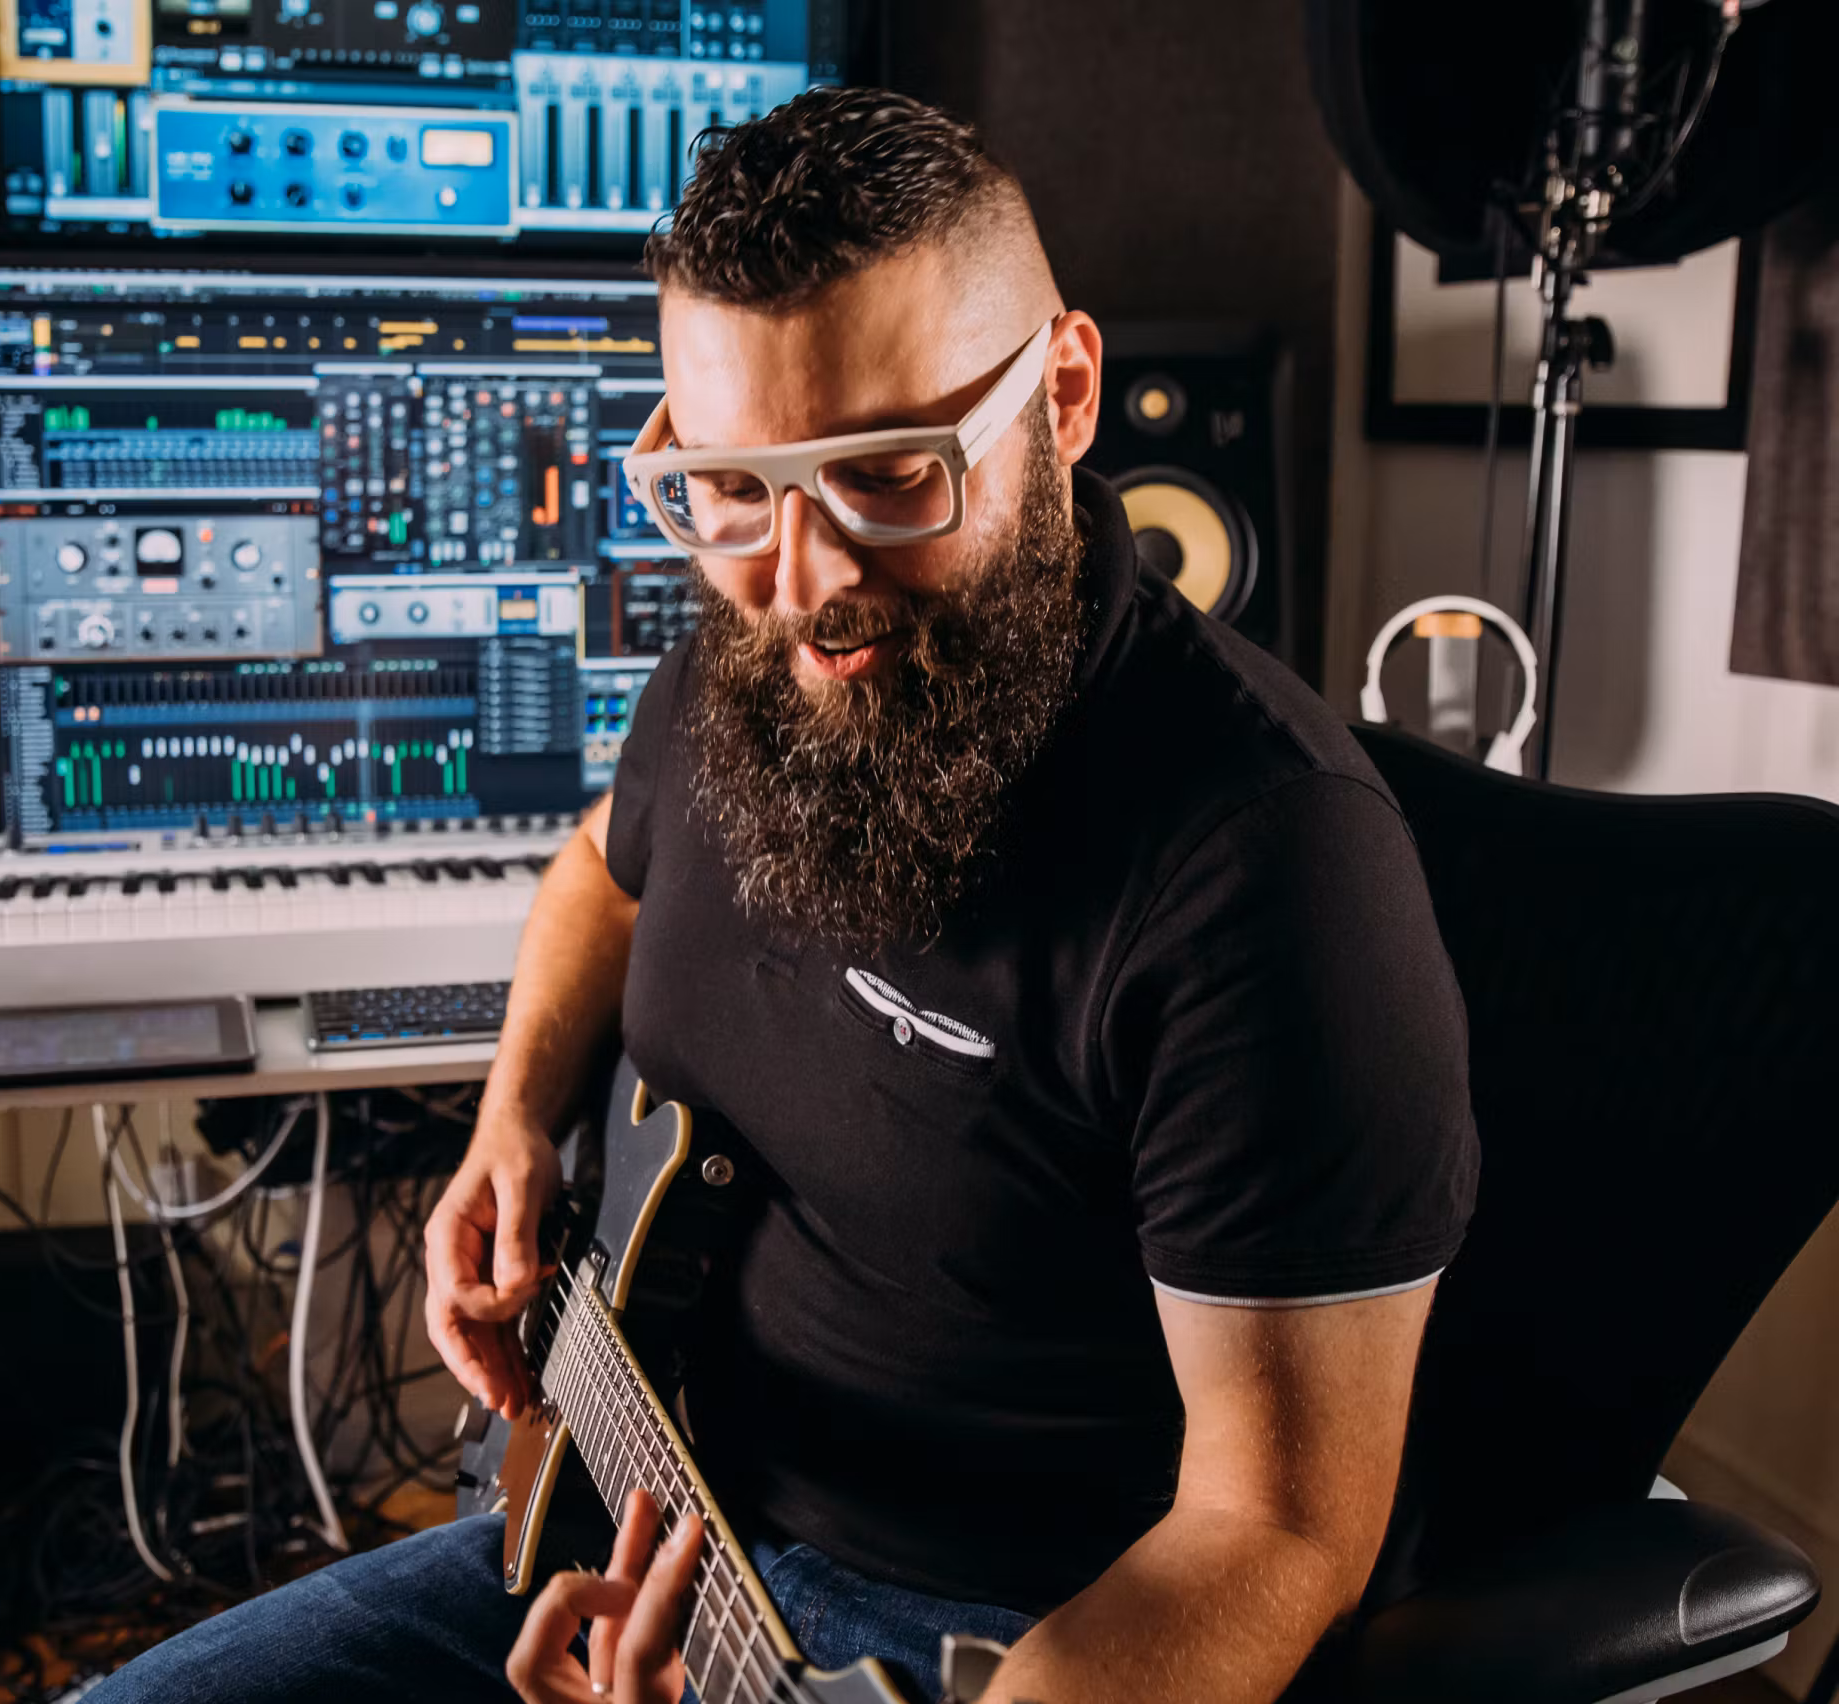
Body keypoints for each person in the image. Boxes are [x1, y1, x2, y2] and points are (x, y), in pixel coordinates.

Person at [91, 86, 1478, 1704]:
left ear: (1069, 395)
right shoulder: (744, 659)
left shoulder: (1269, 873)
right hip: (619, 1512)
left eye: (888, 474)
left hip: (960, 1638)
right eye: (733, 490)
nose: (808, 578)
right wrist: (516, 1119)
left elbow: (1275, 1536)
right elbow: (602, 885)